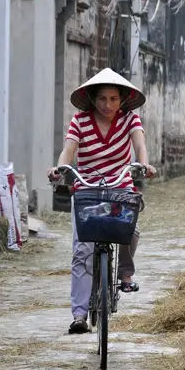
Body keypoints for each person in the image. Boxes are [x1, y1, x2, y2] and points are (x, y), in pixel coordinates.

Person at [48, 68, 156, 334]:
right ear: (93, 99)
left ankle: (125, 274)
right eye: (102, 99)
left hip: (120, 185)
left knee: (130, 231)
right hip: (86, 188)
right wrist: (59, 168)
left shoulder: (130, 120)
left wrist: (144, 165)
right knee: (82, 252)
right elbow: (69, 150)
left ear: (122, 100)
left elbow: (140, 146)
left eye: (113, 99)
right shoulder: (80, 121)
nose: (108, 105)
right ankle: (79, 315)